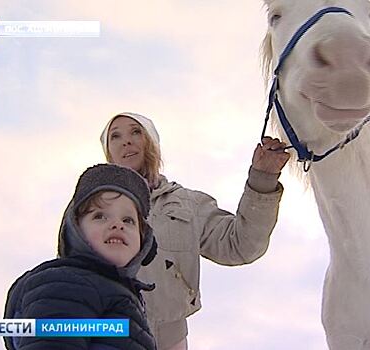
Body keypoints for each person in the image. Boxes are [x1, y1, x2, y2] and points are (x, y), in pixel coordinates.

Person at [100, 112, 290, 350]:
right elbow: (70, 274)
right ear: (108, 153)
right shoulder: (90, 206)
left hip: (170, 339)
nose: (126, 140)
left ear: (152, 143)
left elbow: (241, 245)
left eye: (136, 132)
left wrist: (263, 178)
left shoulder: (188, 204)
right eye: (115, 136)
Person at [4, 163, 159, 350]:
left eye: (128, 220)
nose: (117, 224)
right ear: (76, 231)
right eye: (100, 216)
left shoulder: (119, 294)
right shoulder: (65, 284)